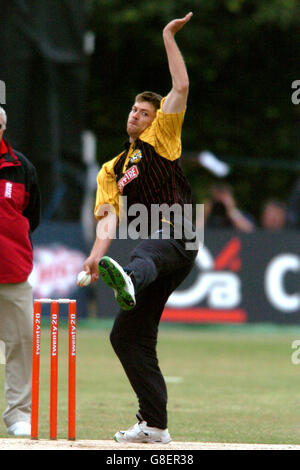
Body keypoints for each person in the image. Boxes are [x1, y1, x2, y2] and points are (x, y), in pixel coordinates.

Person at [80, 13, 197, 444]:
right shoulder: (112, 169)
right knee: (127, 336)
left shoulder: (163, 136)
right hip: (162, 247)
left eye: (144, 111)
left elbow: (180, 87)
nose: (136, 114)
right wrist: (95, 255)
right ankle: (154, 425)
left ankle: (128, 277)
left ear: (155, 119)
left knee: (143, 251)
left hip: (179, 229)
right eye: (134, 108)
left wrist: (167, 35)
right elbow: (108, 217)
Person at [0, 106, 40, 436]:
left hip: (11, 271)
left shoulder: (20, 167)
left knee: (22, 341)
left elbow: (32, 217)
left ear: (2, 127)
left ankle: (18, 415)